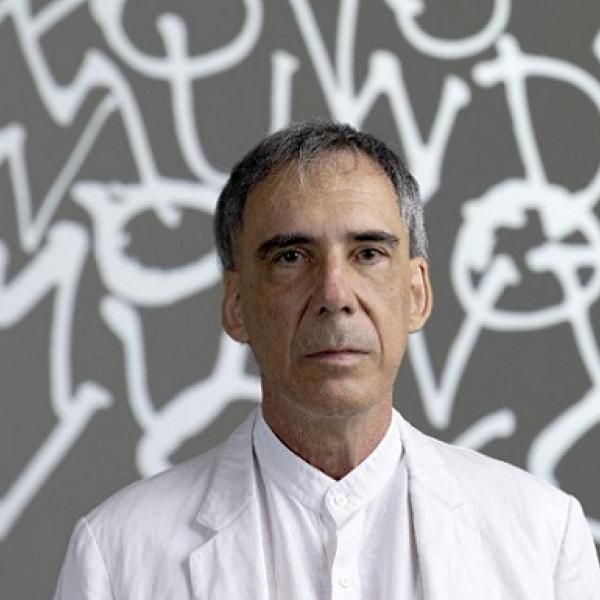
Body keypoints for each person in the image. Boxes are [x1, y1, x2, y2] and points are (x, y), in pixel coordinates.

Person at [54, 121, 600, 599]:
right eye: (292, 257)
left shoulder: (544, 536)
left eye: (368, 253)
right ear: (237, 305)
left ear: (416, 294)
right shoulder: (118, 555)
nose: (334, 294)